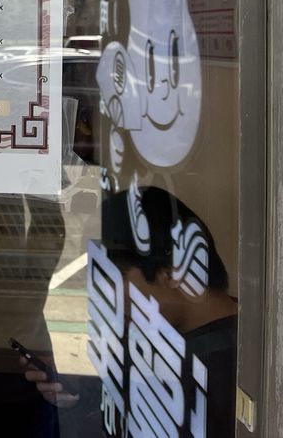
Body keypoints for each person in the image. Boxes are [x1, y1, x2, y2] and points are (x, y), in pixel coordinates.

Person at [24, 185, 237, 437]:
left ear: (173, 273)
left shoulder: (235, 374)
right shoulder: (161, 340)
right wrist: (76, 392)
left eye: (111, 282)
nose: (105, 301)